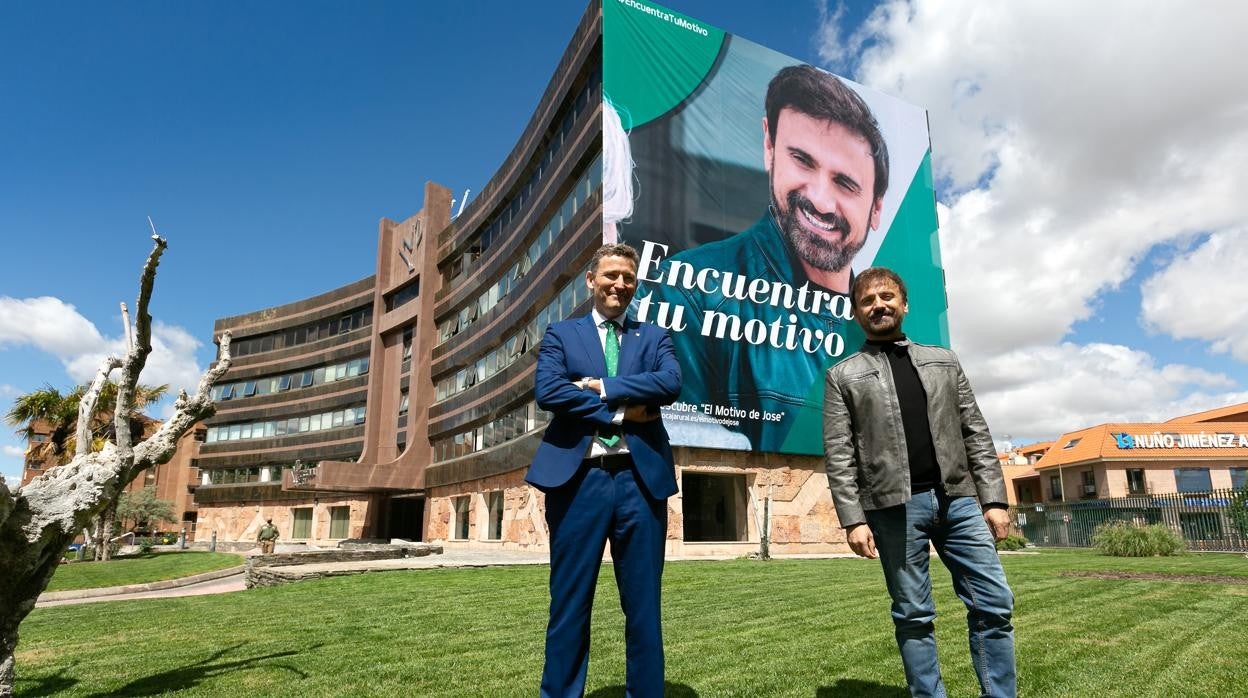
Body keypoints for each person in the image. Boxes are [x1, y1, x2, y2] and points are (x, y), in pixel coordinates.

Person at [643, 64, 889, 451]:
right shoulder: (686, 289)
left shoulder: (883, 332)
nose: (821, 201)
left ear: (876, 210)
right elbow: (676, 451)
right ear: (769, 147)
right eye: (803, 161)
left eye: (845, 183)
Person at [822, 267, 1016, 698]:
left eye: (887, 296)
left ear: (904, 304)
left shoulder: (944, 361)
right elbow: (839, 454)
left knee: (994, 604)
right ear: (856, 313)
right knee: (913, 614)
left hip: (960, 501)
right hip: (893, 507)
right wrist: (853, 519)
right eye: (867, 300)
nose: (879, 305)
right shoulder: (843, 376)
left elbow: (975, 432)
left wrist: (994, 499)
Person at [525, 242, 682, 698]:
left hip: (640, 482)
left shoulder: (654, 338)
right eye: (611, 275)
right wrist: (620, 412)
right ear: (591, 281)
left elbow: (669, 383)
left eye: (628, 277)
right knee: (569, 605)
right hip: (578, 484)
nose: (619, 284)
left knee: (644, 609)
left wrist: (602, 386)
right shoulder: (562, 334)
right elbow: (550, 391)